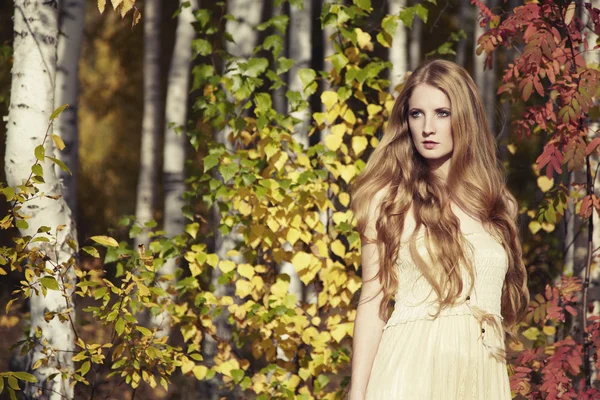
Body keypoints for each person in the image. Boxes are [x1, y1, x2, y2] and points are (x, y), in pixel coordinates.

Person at [348, 59, 529, 399]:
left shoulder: (492, 202)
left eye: (441, 113)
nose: (427, 127)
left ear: (464, 118)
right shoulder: (389, 199)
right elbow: (371, 303)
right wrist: (357, 394)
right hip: (407, 375)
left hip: (481, 379)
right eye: (416, 114)